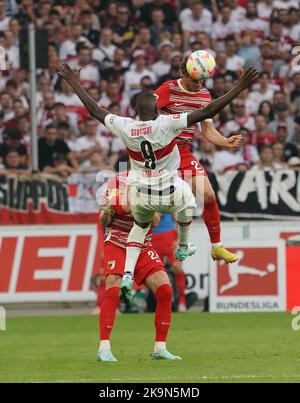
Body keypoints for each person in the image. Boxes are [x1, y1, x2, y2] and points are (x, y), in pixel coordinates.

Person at [57, 62, 259, 303]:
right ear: (158, 108)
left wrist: (74, 82)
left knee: (149, 221)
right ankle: (184, 246)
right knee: (186, 203)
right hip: (168, 170)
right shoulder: (166, 119)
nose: (200, 83)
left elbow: (95, 110)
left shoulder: (127, 126)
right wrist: (240, 86)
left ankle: (129, 276)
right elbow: (205, 113)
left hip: (146, 180)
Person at [155, 56, 247, 264]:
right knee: (154, 212)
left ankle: (216, 247)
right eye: (195, 80)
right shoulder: (167, 89)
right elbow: (143, 116)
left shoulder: (204, 95)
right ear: (183, 74)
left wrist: (224, 141)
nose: (199, 84)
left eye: (202, 80)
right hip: (161, 153)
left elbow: (207, 129)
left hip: (183, 153)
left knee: (207, 194)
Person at [97, 173, 180, 361]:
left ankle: (160, 348)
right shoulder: (117, 181)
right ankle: (104, 348)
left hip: (143, 244)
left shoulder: (156, 181)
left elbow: (155, 221)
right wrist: (107, 212)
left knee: (165, 290)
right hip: (117, 243)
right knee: (113, 289)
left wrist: (132, 206)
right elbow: (104, 221)